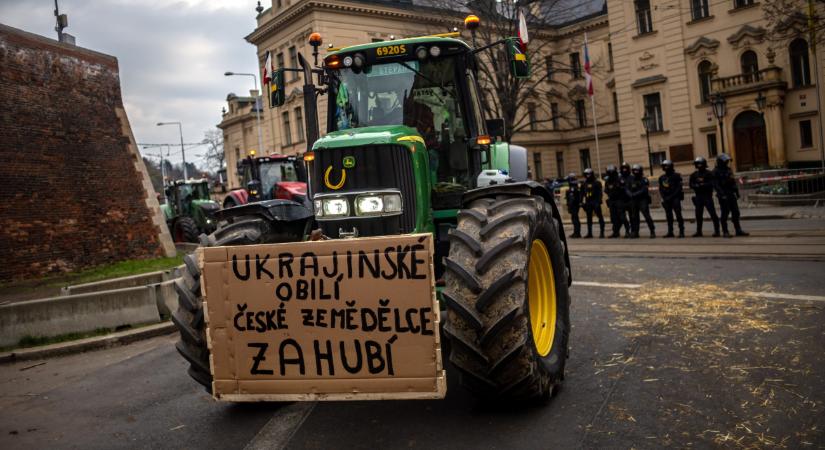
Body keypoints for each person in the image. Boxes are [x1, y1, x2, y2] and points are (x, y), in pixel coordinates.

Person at [713, 153, 749, 237]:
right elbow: (716, 185)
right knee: (725, 213)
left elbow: (733, 182)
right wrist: (722, 194)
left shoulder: (728, 170)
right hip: (723, 194)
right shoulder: (715, 172)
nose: (726, 163)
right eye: (725, 161)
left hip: (731, 193)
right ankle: (725, 231)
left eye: (727, 161)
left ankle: (738, 230)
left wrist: (736, 192)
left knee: (736, 212)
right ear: (720, 162)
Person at [689, 156, 720, 237]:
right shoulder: (694, 175)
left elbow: (712, 183)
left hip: (707, 196)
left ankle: (717, 231)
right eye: (697, 164)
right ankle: (699, 231)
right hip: (698, 196)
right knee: (698, 215)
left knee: (713, 214)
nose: (699, 165)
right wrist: (696, 185)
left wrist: (703, 185)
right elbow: (691, 184)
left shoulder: (709, 173)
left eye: (700, 164)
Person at [626, 164, 656, 238]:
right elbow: (626, 188)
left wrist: (635, 194)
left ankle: (652, 231)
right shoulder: (631, 179)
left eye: (637, 170)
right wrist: (630, 194)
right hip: (633, 201)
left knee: (647, 216)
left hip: (642, 200)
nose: (635, 172)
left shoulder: (644, 179)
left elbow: (644, 189)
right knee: (634, 217)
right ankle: (636, 232)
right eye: (634, 170)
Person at [658, 159, 685, 238]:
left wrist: (671, 196)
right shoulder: (662, 177)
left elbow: (679, 188)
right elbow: (661, 189)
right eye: (664, 166)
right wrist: (664, 197)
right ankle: (670, 231)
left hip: (675, 198)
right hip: (666, 199)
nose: (665, 167)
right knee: (669, 216)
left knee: (678, 215)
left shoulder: (677, 176)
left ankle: (681, 231)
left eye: (667, 166)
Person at [604, 165, 630, 238]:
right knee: (614, 218)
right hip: (612, 200)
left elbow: (624, 188)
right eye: (609, 172)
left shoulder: (619, 179)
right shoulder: (608, 180)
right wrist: (609, 193)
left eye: (611, 171)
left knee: (622, 217)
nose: (610, 173)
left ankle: (627, 231)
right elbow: (606, 189)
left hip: (619, 200)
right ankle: (615, 232)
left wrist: (619, 188)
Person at [581, 168, 605, 238]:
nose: (588, 176)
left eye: (589, 174)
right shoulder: (584, 183)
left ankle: (602, 232)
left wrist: (599, 201)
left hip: (595, 201)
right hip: (588, 202)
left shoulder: (597, 183)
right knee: (589, 218)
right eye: (586, 174)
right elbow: (582, 193)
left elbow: (600, 193)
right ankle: (589, 233)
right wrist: (581, 202)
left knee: (600, 217)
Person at [565, 173, 582, 238]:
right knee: (575, 219)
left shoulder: (572, 188)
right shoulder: (576, 186)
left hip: (574, 206)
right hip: (575, 205)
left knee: (575, 219)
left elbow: (572, 198)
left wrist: (569, 205)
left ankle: (577, 233)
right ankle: (576, 232)